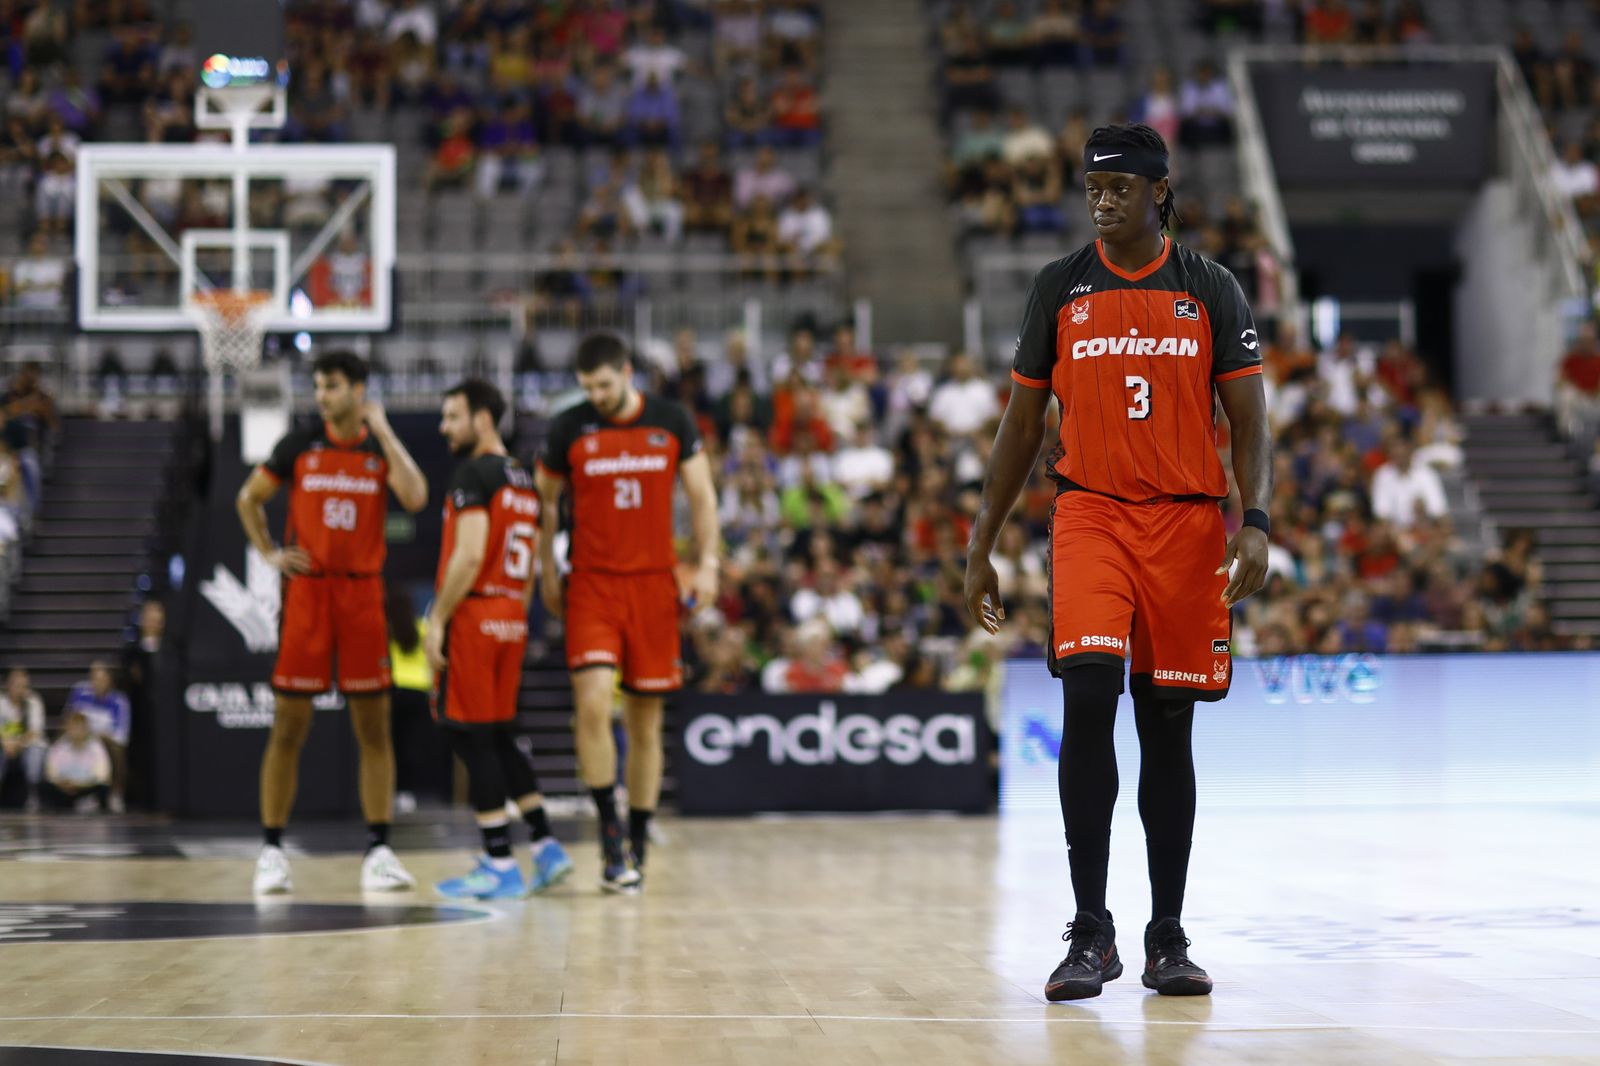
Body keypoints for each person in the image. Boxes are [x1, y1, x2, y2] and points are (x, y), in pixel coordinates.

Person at [964, 123, 1270, 1001]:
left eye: (1120, 188)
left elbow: (1249, 422)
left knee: (1167, 721)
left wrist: (1256, 522)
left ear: (1159, 191)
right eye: (1093, 188)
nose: (1102, 201)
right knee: (1089, 690)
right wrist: (981, 543)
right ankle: (1089, 930)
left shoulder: (1208, 287)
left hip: (1185, 525)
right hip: (1090, 513)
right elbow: (1021, 427)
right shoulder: (1059, 287)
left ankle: (1166, 934)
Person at [236, 350, 429, 895]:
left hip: (362, 594)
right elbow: (248, 498)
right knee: (289, 727)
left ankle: (379, 850)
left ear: (359, 390)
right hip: (309, 596)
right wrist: (270, 552)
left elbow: (415, 495)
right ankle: (272, 851)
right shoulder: (301, 443)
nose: (322, 396)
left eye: (334, 386)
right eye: (319, 387)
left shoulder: (375, 447)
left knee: (374, 727)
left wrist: (385, 431)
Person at [535, 333, 721, 893]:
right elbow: (544, 500)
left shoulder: (671, 420)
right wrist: (547, 567)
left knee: (645, 721)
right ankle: (610, 834)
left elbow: (703, 497)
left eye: (604, 385)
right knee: (592, 705)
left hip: (653, 585)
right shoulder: (571, 426)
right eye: (587, 387)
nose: (596, 395)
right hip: (591, 583)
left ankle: (638, 835)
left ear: (628, 373)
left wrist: (707, 564)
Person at [428, 379, 574, 900]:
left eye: (453, 416)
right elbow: (533, 561)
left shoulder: (473, 474)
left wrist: (439, 618)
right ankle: (545, 846)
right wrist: (516, 610)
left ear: (483, 419)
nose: (444, 427)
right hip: (512, 612)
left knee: (471, 736)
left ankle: (497, 862)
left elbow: (468, 556)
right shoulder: (525, 479)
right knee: (504, 733)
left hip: (475, 611)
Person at [64, 661, 130, 813]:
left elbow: (122, 735)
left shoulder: (119, 701)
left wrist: (101, 737)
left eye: (101, 680)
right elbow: (69, 719)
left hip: (107, 741)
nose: (97, 683)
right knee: (67, 743)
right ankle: (83, 794)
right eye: (94, 679)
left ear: (109, 681)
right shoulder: (80, 692)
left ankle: (115, 794)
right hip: (81, 738)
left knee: (116, 750)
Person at [41, 712, 110, 812]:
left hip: (85, 788)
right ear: (67, 729)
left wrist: (79, 785)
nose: (77, 732)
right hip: (64, 788)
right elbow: (51, 774)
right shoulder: (59, 747)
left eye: (80, 728)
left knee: (103, 788)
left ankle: (93, 805)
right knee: (44, 786)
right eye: (74, 728)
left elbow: (102, 776)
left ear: (86, 730)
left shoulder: (96, 748)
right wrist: (62, 783)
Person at [0, 667, 47, 810]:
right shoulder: (1, 702)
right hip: (5, 745)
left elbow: (35, 731)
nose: (20, 689)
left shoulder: (34, 701)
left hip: (27, 745)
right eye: (17, 685)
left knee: (35, 751)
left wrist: (17, 745)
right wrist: (5, 743)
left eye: (24, 686)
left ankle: (33, 795)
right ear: (9, 685)